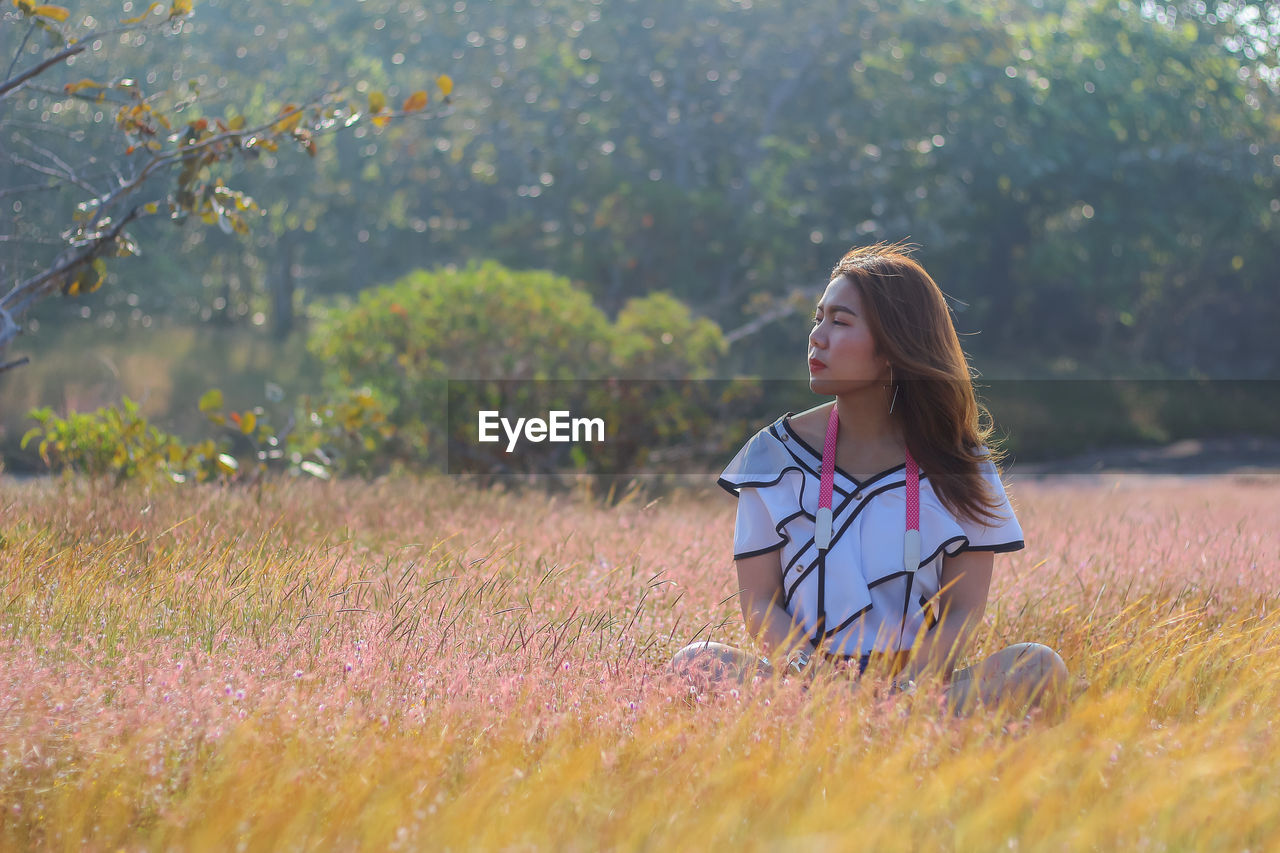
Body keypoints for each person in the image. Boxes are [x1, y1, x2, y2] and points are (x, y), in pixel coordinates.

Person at [671, 241, 1072, 720]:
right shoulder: (771, 454)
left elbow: (964, 609)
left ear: (893, 346)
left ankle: (897, 724)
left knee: (1038, 665)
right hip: (807, 688)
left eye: (839, 322)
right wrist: (816, 683)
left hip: (920, 689)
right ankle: (867, 727)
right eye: (818, 319)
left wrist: (909, 688)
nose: (817, 337)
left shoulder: (959, 462)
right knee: (693, 664)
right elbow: (758, 602)